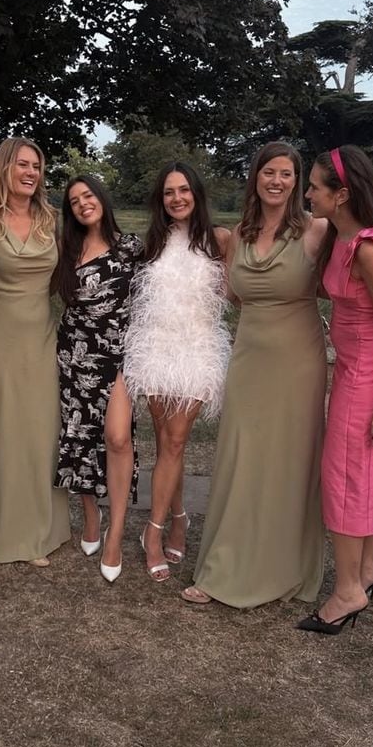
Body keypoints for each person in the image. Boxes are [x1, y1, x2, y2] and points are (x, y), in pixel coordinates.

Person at [182, 142, 328, 608]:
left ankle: (285, 569)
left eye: (286, 174)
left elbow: (364, 262)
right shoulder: (237, 236)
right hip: (248, 360)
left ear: (298, 182)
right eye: (269, 172)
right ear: (256, 178)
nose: (277, 181)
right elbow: (232, 294)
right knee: (241, 459)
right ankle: (225, 567)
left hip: (298, 362)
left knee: (290, 461)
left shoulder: (318, 230)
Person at [298, 144, 373, 635]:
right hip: (355, 368)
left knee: (345, 477)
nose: (306, 193)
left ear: (341, 194)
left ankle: (348, 590)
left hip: (372, 377)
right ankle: (370, 567)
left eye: (313, 187)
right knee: (362, 472)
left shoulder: (368, 248)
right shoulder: (341, 237)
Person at [0, 137, 71, 565]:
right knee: (4, 433)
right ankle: (9, 532)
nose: (30, 172)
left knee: (43, 432)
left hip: (43, 340)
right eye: (21, 164)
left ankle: (45, 528)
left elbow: (69, 277)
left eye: (37, 166)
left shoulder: (50, 219)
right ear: (4, 168)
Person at [124, 162, 231, 582]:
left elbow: (240, 290)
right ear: (161, 199)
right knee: (167, 443)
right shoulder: (150, 242)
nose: (177, 198)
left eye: (184, 190)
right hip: (154, 348)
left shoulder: (220, 239)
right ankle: (181, 517)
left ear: (196, 193)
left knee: (178, 438)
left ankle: (152, 532)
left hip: (198, 348)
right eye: (169, 192)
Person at [53, 176, 143, 582]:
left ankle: (117, 532)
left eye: (88, 196)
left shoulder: (132, 248)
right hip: (74, 355)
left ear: (102, 199)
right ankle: (90, 513)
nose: (82, 204)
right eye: (74, 201)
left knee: (118, 437)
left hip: (121, 357)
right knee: (79, 437)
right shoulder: (66, 251)